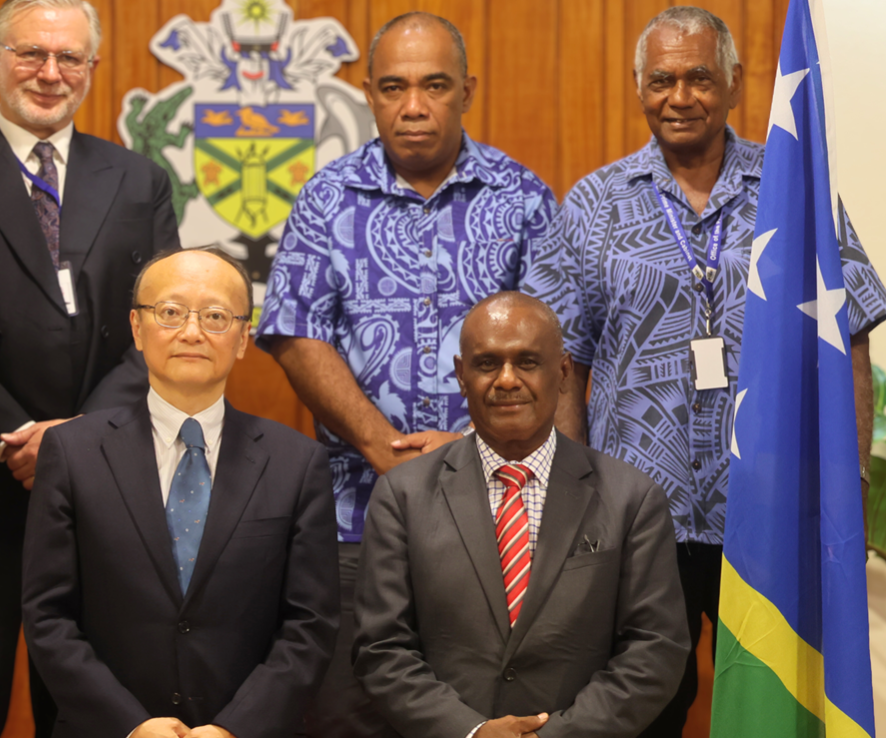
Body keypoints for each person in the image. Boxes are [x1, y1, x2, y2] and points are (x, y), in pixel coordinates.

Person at [520, 7, 886, 734]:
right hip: (634, 513)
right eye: (661, 79)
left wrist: (850, 475)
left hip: (772, 505)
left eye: (698, 78)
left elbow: (848, 339)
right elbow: (565, 360)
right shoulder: (594, 203)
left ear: (734, 84)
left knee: (777, 697)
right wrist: (571, 485)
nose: (680, 96)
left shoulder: (795, 188)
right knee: (643, 704)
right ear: (639, 88)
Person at [254, 12, 557, 736]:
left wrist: (469, 459)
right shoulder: (327, 197)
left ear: (467, 91)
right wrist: (383, 448)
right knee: (349, 708)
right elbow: (295, 333)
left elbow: (553, 351)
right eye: (393, 87)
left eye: (434, 86)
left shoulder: (523, 198)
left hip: (498, 518)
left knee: (480, 708)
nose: (413, 106)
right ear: (368, 93)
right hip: (358, 514)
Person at [0, 0, 180, 728]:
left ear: (92, 69)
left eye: (69, 58)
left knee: (84, 703)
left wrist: (72, 438)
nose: (50, 73)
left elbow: (163, 325)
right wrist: (19, 435)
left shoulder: (139, 182)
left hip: (102, 484)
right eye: (30, 53)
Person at [22, 249, 338, 738]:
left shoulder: (297, 463)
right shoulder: (72, 452)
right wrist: (130, 724)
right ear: (137, 327)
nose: (192, 332)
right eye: (170, 313)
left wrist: (236, 727)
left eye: (215, 317)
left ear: (242, 338)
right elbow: (48, 615)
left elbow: (310, 625)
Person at [354, 292, 689, 738]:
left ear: (564, 372)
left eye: (528, 362)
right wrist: (471, 732)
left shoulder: (632, 498)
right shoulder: (403, 495)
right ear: (461, 376)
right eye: (487, 363)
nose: (507, 380)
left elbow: (655, 649)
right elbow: (381, 648)